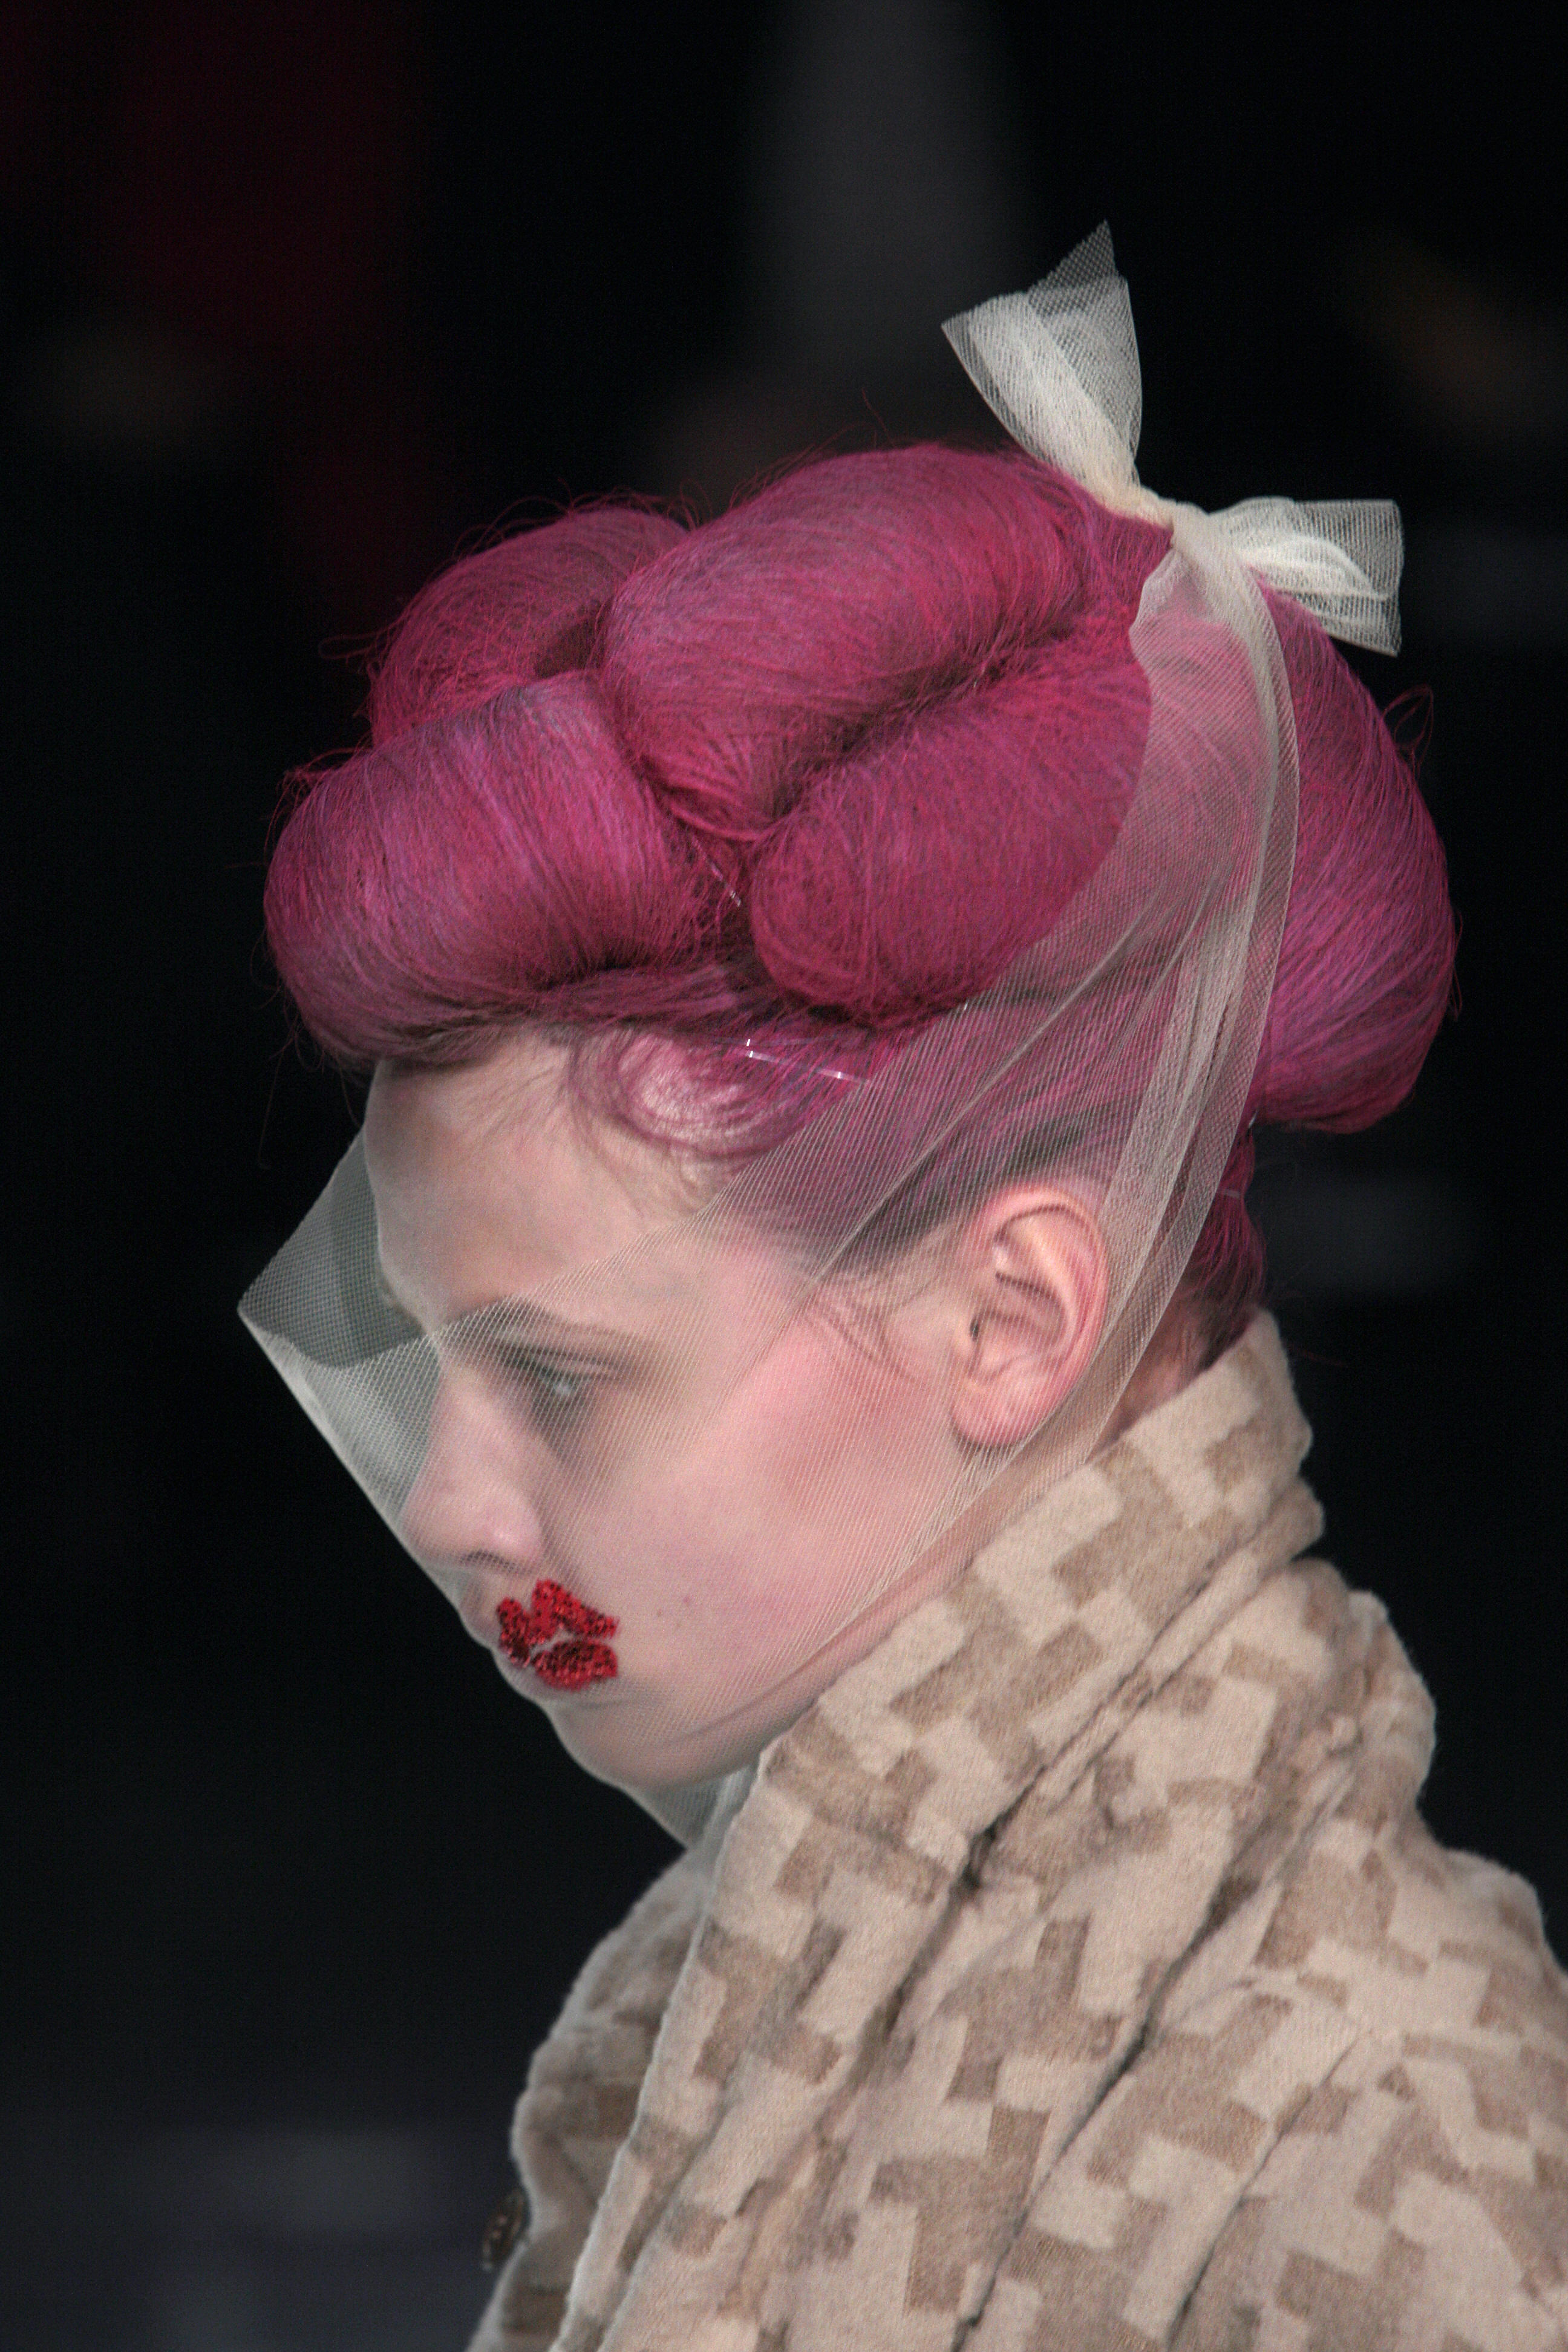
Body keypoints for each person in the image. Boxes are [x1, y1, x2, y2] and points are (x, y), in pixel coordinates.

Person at [243, 236, 1568, 2350]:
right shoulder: (746, 1963)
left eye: (562, 1384)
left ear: (1017, 1323)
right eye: (429, 1354)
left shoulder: (1402, 2145)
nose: (444, 1502)